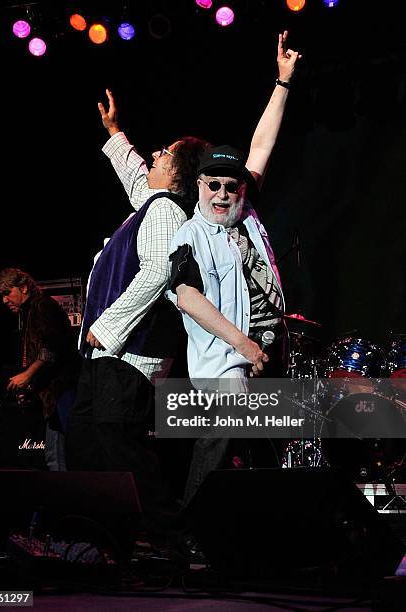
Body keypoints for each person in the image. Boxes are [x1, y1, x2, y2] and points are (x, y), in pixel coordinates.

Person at [66, 90, 209, 537]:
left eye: (163, 153)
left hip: (126, 355)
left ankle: (168, 535)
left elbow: (158, 273)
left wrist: (106, 328)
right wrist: (113, 132)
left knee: (119, 447)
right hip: (109, 355)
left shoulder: (166, 209)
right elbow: (135, 178)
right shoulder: (154, 204)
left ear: (177, 172)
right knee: (87, 444)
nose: (154, 154)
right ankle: (102, 537)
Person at [167, 31, 301, 505]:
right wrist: (242, 344)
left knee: (266, 450)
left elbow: (261, 146)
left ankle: (252, 536)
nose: (223, 194)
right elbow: (186, 296)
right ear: (199, 185)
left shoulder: (245, 213)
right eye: (214, 185)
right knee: (218, 448)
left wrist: (282, 81)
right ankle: (193, 535)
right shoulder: (190, 234)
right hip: (227, 361)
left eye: (232, 186)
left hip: (266, 351)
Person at [0, 268, 81, 470]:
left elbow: (51, 349)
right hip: (54, 394)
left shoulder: (43, 306)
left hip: (64, 391)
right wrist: (30, 388)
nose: (4, 301)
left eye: (7, 293)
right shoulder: (30, 312)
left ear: (23, 287)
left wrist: (27, 376)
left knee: (61, 456)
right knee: (54, 456)